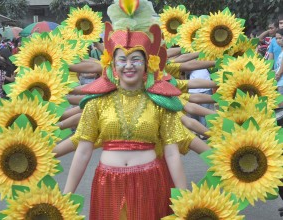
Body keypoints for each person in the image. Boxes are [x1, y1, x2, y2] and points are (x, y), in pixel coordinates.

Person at [63, 1, 210, 219]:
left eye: (135, 59)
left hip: (150, 182)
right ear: (113, 64)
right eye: (122, 59)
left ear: (147, 64)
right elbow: (83, 150)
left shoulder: (160, 101)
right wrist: (66, 197)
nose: (128, 65)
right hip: (107, 184)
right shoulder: (97, 102)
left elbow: (171, 152)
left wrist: (184, 202)